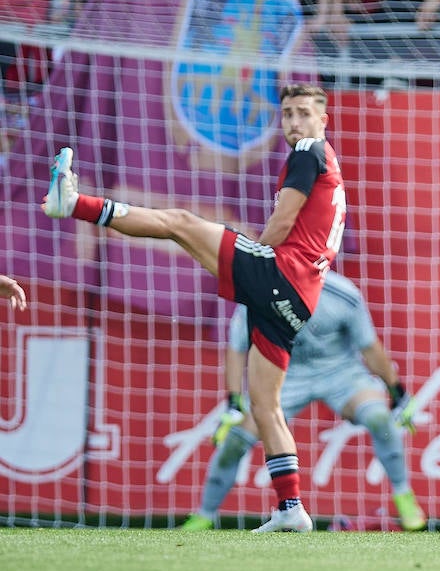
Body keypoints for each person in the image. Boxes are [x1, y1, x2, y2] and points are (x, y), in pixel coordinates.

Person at [41, 83, 347, 532]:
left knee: (180, 223)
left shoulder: (308, 152)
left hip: (281, 275)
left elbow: (282, 224)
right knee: (265, 405)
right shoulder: (326, 161)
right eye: (287, 114)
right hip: (301, 298)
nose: (295, 122)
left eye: (304, 112)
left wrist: (252, 262)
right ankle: (291, 510)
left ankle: (76, 203)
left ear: (323, 120)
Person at [181, 271, 427, 532]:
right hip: (285, 377)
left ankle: (403, 495)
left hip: (340, 374)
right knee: (236, 438)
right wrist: (233, 401)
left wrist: (398, 392)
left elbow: (370, 347)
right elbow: (237, 347)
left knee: (378, 416)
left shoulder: (343, 294)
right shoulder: (261, 292)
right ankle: (204, 515)